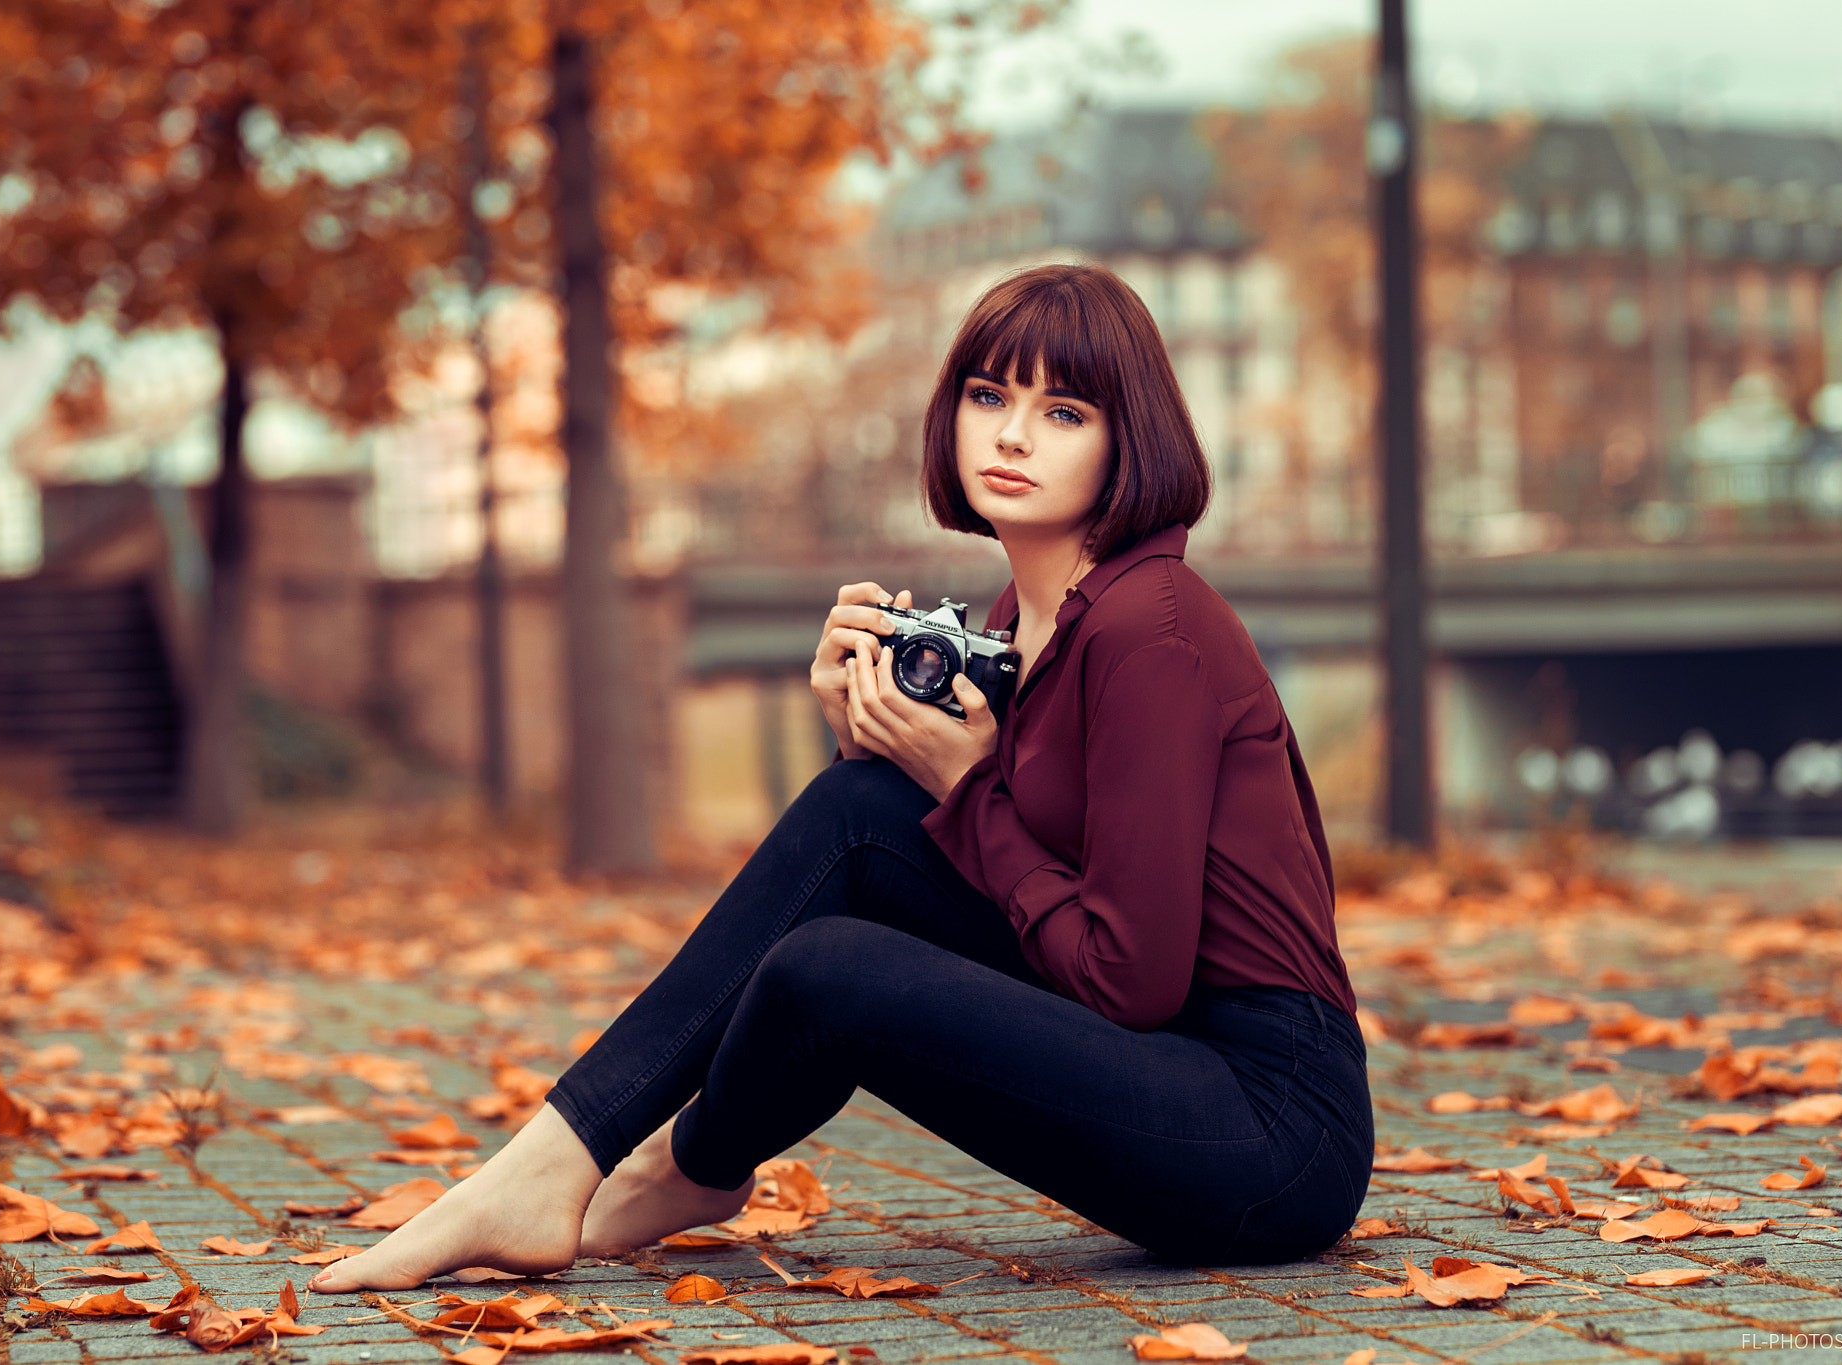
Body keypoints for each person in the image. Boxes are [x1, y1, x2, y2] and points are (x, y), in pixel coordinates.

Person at [310, 262, 1370, 1292]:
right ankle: (595, 1166)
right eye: (988, 393)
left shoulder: (1151, 629)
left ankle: (621, 1170)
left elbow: (1130, 979)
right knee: (858, 812)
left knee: (838, 969)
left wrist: (962, 788)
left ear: (1125, 439)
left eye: (1063, 411)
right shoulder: (1010, 625)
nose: (1007, 433)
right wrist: (871, 739)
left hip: (1266, 1131)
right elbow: (945, 856)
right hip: (1165, 1056)